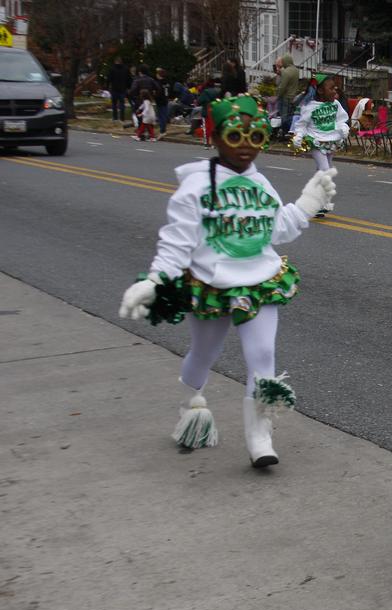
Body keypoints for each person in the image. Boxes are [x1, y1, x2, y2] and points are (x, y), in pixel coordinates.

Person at [118, 95, 338, 467]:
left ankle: (259, 436)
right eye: (236, 136)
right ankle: (192, 403)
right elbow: (177, 243)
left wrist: (306, 203)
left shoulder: (261, 183)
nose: (247, 147)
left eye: (256, 136)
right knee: (204, 354)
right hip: (211, 285)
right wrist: (155, 281)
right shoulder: (196, 187)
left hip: (258, 282)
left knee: (263, 355)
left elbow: (277, 230)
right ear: (216, 137)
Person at [292, 73, 349, 216]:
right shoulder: (309, 107)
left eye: (335, 88)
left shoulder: (335, 104)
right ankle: (320, 202)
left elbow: (341, 119)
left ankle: (318, 203)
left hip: (331, 141)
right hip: (316, 141)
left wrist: (343, 128)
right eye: (331, 89)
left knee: (324, 170)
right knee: (325, 170)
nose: (335, 91)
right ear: (320, 91)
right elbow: (302, 124)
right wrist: (298, 136)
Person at [275, 54, 300, 138]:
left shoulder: (286, 72)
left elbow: (283, 86)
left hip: (285, 97)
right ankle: (291, 131)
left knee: (284, 117)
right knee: (291, 115)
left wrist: (278, 96)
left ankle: (287, 133)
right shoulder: (296, 70)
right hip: (293, 96)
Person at [107, 56, 131, 122]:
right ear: (121, 61)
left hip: (114, 89)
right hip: (123, 89)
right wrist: (128, 87)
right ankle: (122, 118)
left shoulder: (112, 69)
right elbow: (129, 79)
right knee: (122, 104)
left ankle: (115, 117)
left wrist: (107, 87)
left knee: (114, 104)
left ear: (115, 61)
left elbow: (109, 79)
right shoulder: (126, 69)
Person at [154, 67, 172, 135]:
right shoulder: (167, 82)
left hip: (160, 100)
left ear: (159, 75)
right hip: (165, 99)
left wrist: (155, 96)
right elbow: (168, 91)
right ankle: (163, 129)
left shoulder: (159, 83)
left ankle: (162, 130)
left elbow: (158, 92)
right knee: (163, 114)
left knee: (161, 115)